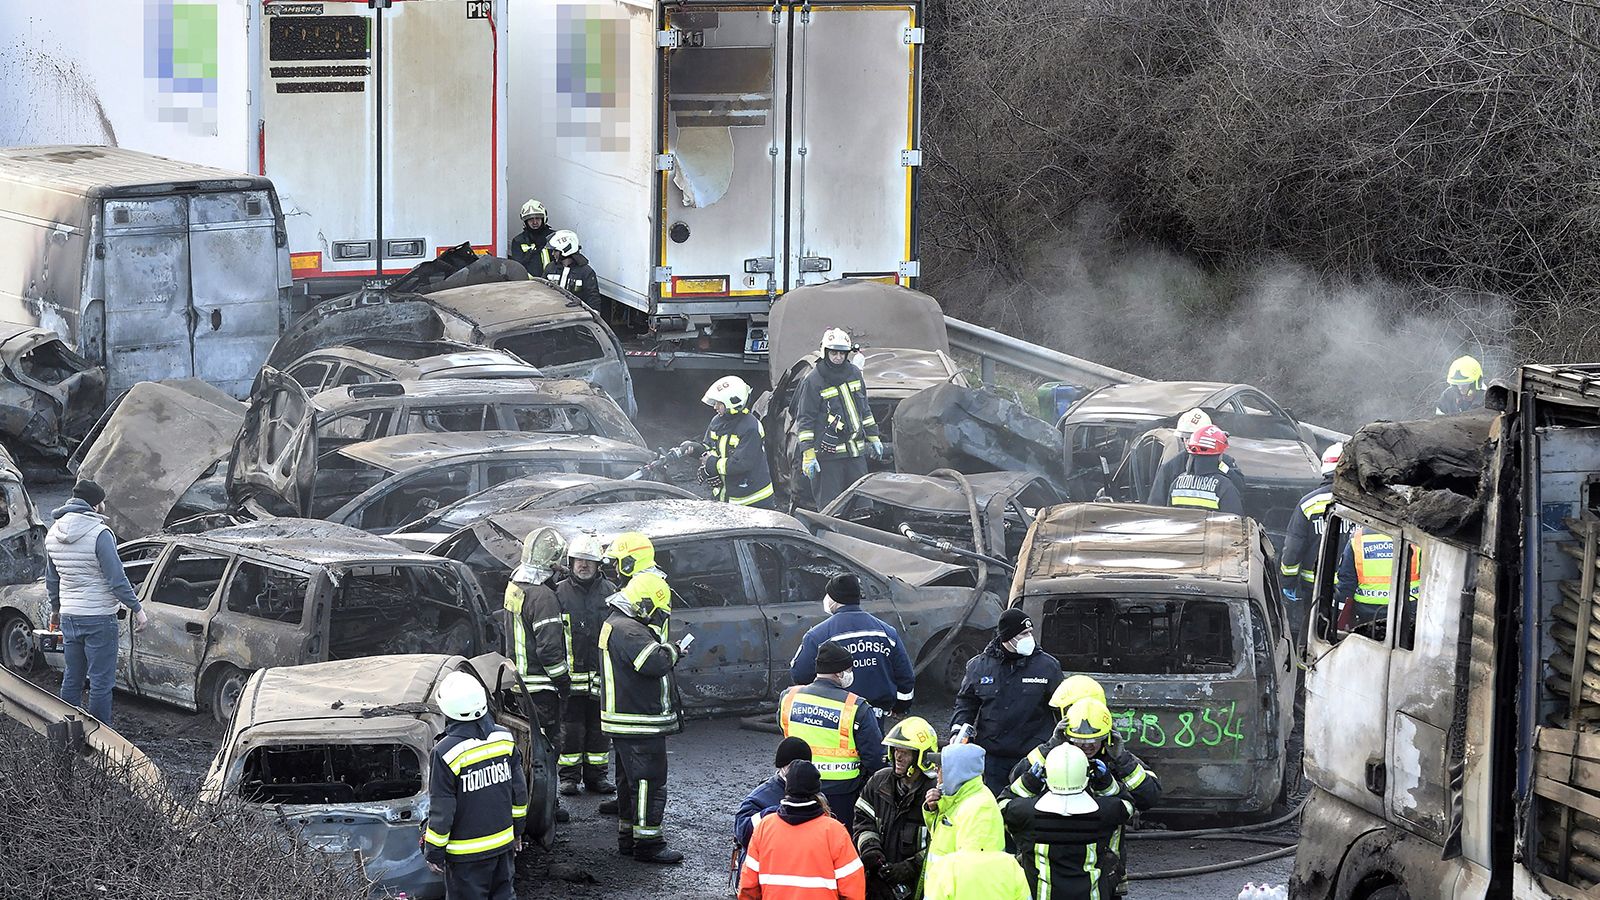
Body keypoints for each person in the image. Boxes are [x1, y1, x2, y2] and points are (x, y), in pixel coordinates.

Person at [599, 572, 689, 863]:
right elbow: (653, 662)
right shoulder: (630, 630)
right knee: (649, 782)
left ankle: (629, 837)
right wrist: (674, 650)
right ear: (645, 604)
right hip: (640, 720)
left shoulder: (616, 623)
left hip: (626, 719)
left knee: (630, 782)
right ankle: (649, 844)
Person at [46, 479, 145, 726]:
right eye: (102, 501)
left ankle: (66, 733)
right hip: (99, 617)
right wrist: (137, 608)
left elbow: (52, 578)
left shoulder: (53, 532)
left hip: (70, 616)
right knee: (101, 682)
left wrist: (56, 610)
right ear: (95, 504)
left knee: (72, 677)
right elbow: (117, 579)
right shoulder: (99, 533)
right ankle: (99, 740)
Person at [423, 671, 528, 900]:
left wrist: (434, 852)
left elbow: (442, 809)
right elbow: (519, 794)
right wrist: (517, 831)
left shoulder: (445, 752)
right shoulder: (504, 738)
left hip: (465, 857)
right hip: (502, 845)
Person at [950, 607, 1063, 795]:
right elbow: (966, 703)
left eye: (1030, 632)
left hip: (1033, 758)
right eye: (1024, 633)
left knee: (1026, 811)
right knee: (994, 809)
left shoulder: (1047, 666)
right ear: (1007, 638)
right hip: (992, 759)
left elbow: (1061, 709)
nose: (1029, 638)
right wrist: (958, 730)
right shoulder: (979, 666)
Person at [1001, 743, 1133, 900]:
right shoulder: (1105, 812)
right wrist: (1105, 783)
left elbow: (1001, 806)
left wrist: (1028, 783)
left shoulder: (1026, 813)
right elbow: (1127, 806)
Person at [778, 641, 885, 831]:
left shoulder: (789, 697)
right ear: (839, 672)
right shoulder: (856, 707)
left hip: (794, 786)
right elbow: (875, 757)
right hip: (842, 793)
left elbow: (785, 732)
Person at [739, 759, 868, 900]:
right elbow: (853, 888)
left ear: (787, 788)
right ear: (817, 791)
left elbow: (748, 888)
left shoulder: (765, 827)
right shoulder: (834, 831)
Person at [790, 574, 916, 717]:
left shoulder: (817, 636)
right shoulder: (887, 632)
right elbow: (905, 677)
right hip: (874, 716)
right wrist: (900, 707)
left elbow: (800, 674)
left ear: (834, 599)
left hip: (833, 715)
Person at [922, 742, 1030, 900]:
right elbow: (943, 838)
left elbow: (977, 871)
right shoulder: (959, 797)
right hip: (944, 890)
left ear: (955, 772)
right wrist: (933, 811)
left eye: (940, 767)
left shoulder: (980, 806)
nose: (936, 772)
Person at [554, 533, 617, 796]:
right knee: (571, 728)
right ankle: (569, 778)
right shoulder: (558, 593)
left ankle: (596, 778)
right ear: (571, 562)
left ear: (598, 565)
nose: (584, 565)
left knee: (599, 729)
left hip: (602, 674)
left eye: (589, 561)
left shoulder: (611, 593)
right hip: (571, 676)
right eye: (579, 560)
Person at [852, 715, 938, 900]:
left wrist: (911, 867)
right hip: (878, 881)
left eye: (905, 752)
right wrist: (871, 850)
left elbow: (944, 841)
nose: (898, 756)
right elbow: (862, 820)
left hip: (919, 885)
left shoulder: (936, 793)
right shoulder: (879, 782)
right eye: (896, 750)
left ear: (921, 756)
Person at [796, 327, 883, 509]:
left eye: (842, 354)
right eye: (834, 353)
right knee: (832, 508)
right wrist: (808, 453)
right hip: (828, 457)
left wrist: (873, 436)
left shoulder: (854, 374)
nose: (838, 357)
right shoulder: (813, 380)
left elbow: (864, 409)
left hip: (855, 454)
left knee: (863, 506)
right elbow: (805, 420)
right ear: (825, 352)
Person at [1280, 443, 1343, 644]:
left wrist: (1288, 582)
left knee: (1313, 633)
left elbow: (1293, 549)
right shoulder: (1363, 503)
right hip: (1351, 587)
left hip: (1315, 586)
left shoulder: (1308, 503)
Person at [700, 374, 775, 509]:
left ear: (732, 402)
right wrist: (697, 452)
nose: (715, 407)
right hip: (727, 498)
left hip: (753, 501)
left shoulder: (751, 427)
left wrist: (712, 464)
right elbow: (709, 447)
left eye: (719, 403)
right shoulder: (716, 422)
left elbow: (740, 464)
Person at [736, 737, 815, 862]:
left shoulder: (816, 795)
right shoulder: (760, 798)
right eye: (792, 766)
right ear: (782, 767)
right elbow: (743, 832)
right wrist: (780, 813)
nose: (797, 771)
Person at [1145, 408, 1245, 504]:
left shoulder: (1224, 462)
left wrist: (1222, 467)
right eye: (1185, 438)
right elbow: (1157, 505)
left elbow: (1239, 487)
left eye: (1192, 437)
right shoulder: (1171, 467)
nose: (1189, 443)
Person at [1333, 526, 1418, 637]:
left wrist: (1339, 618)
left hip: (1368, 614)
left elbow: (1347, 582)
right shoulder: (1416, 537)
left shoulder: (1357, 539)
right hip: (1407, 612)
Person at [604, 532, 670, 639]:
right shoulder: (653, 582)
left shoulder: (645, 586)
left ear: (628, 562)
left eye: (617, 560)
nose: (614, 565)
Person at [543, 229, 602, 311]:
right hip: (551, 313)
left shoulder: (586, 272)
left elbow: (593, 300)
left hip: (573, 317)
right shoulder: (550, 268)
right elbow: (541, 292)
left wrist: (590, 312)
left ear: (565, 250)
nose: (552, 254)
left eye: (555, 251)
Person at [509, 198, 556, 274]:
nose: (534, 222)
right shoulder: (518, 241)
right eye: (530, 219)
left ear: (543, 218)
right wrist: (531, 252)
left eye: (537, 218)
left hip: (552, 282)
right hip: (529, 283)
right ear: (525, 221)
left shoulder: (554, 237)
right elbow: (517, 268)